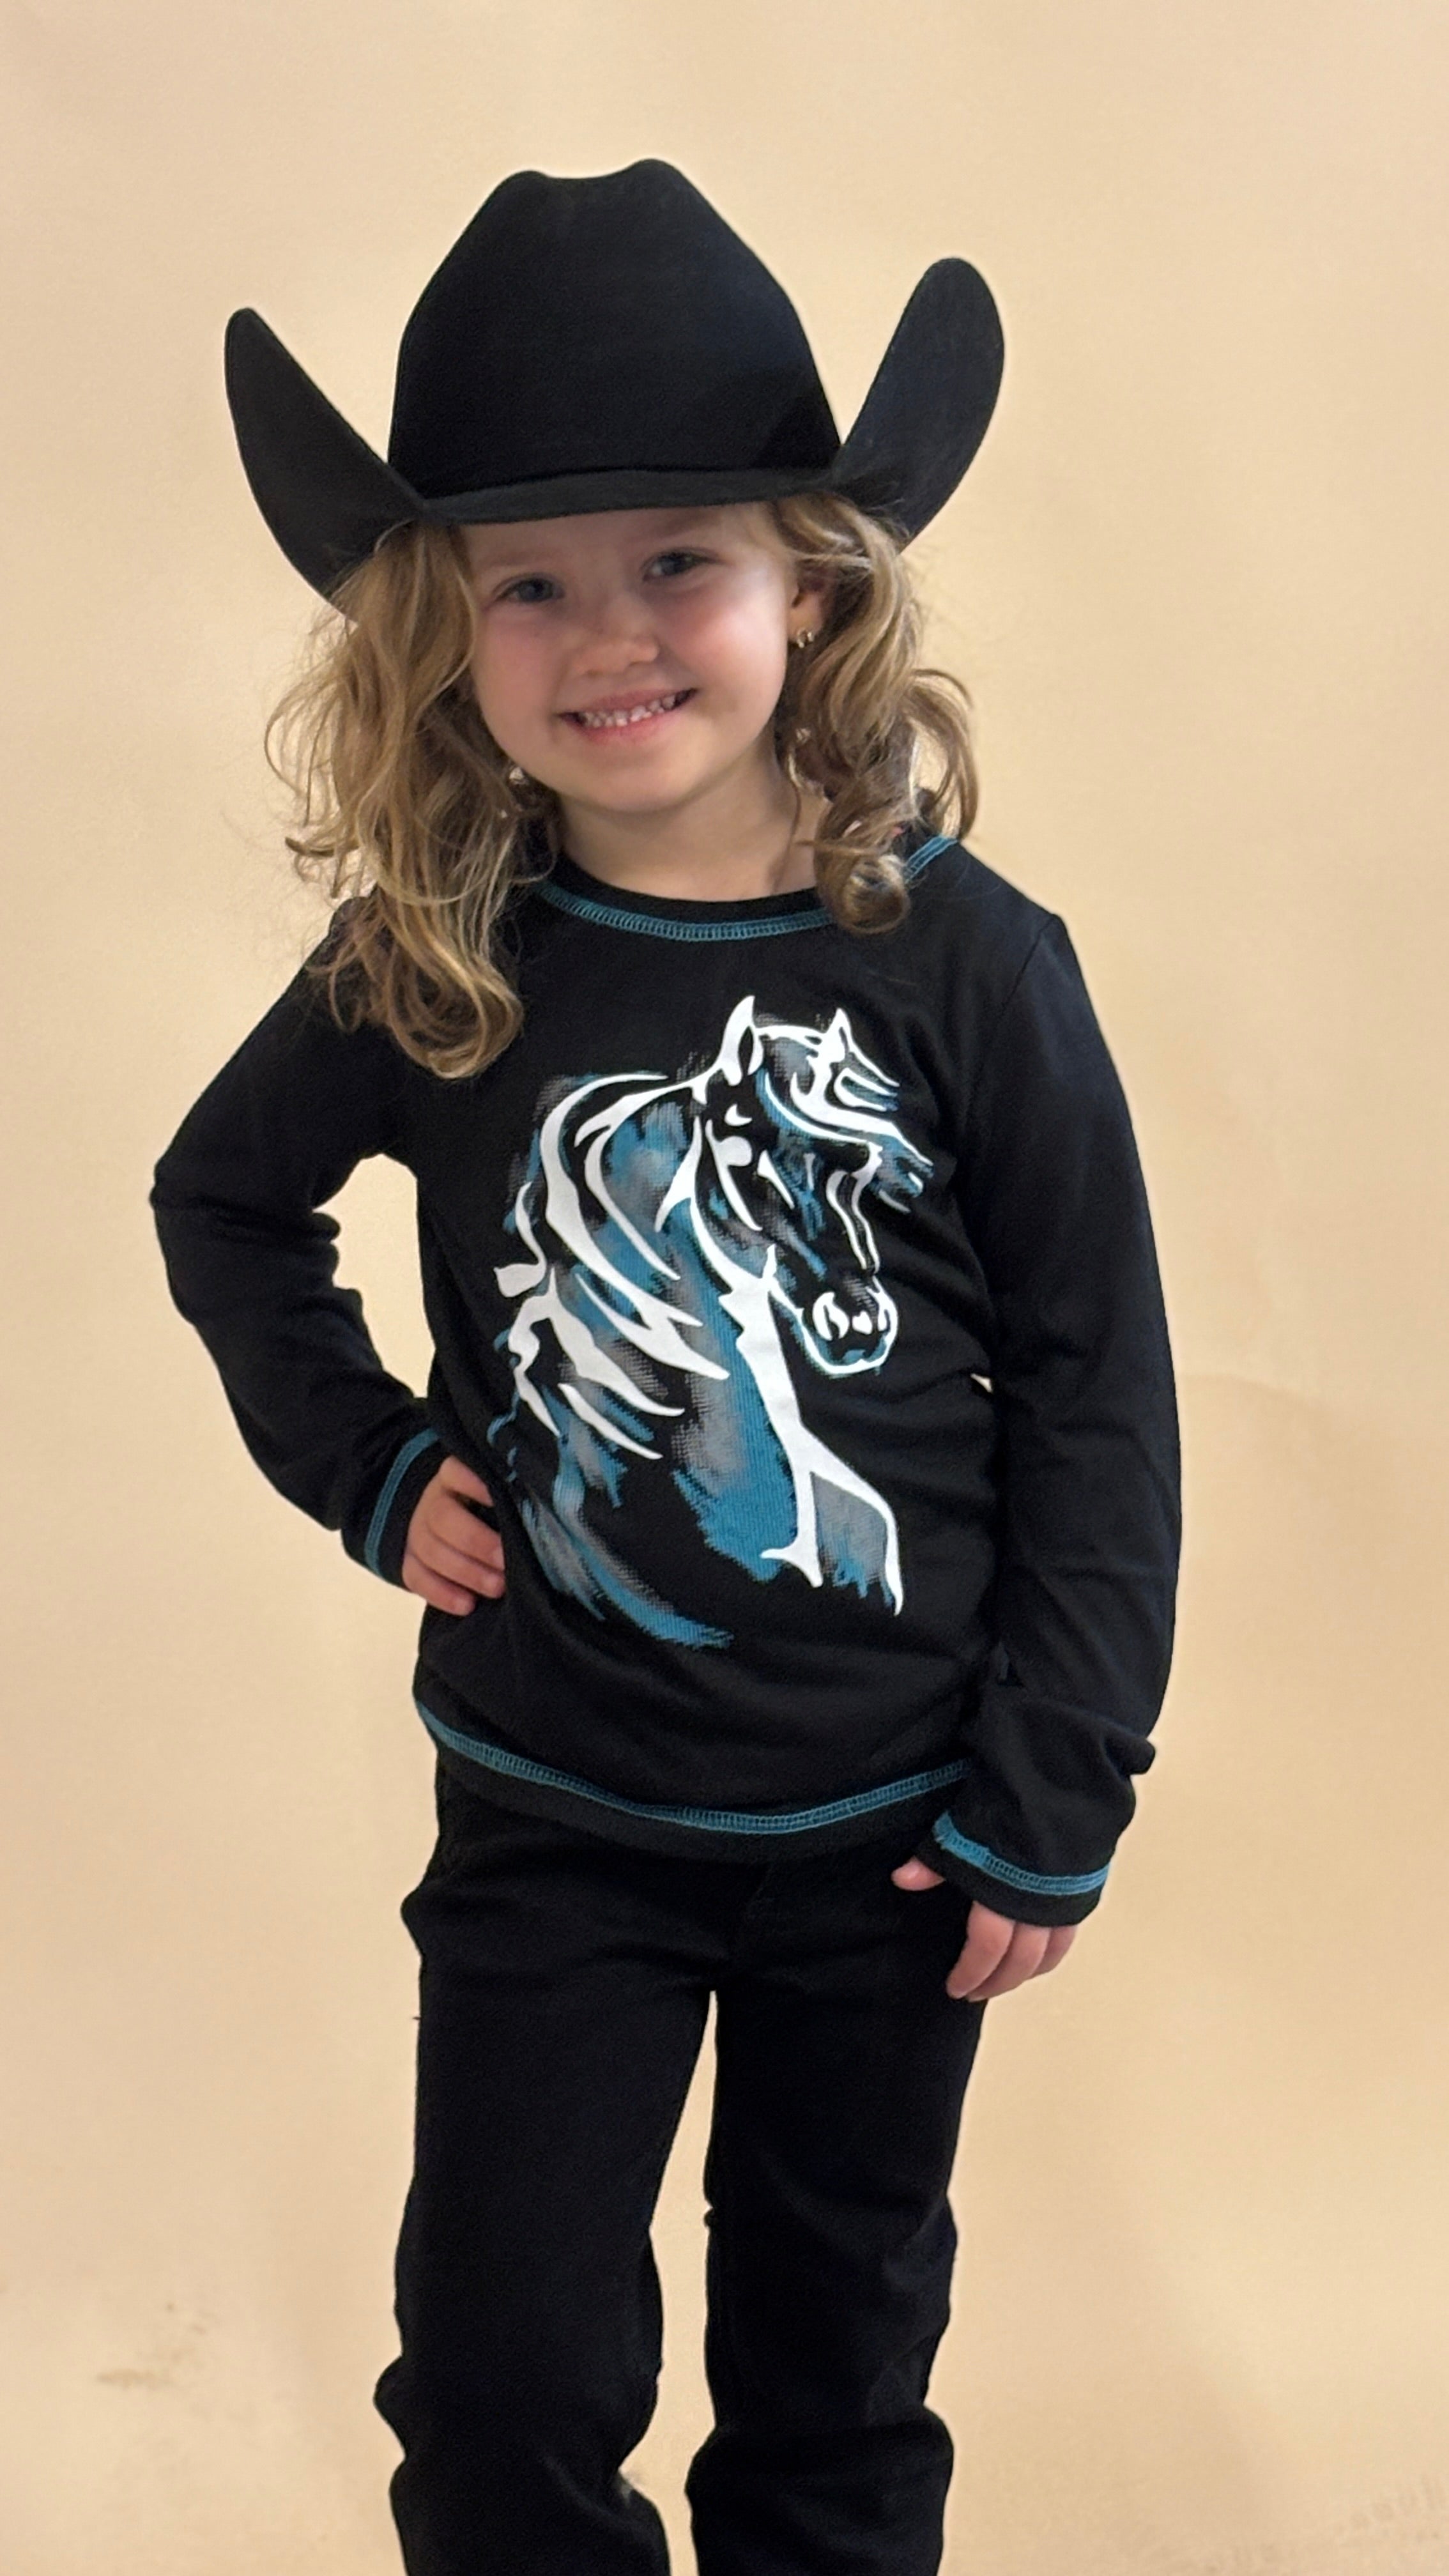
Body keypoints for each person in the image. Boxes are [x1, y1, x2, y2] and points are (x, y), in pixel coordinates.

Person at [151, 160, 1180, 2576]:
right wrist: (366, 1460)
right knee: (500, 2379)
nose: (606, 637)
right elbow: (222, 1205)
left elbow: (1098, 1389)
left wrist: (1056, 1779)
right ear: (446, 632)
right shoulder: (435, 953)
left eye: (676, 562)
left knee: (831, 2379)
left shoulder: (969, 966)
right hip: (557, 1823)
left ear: (809, 583)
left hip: (894, 1834)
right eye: (529, 583)